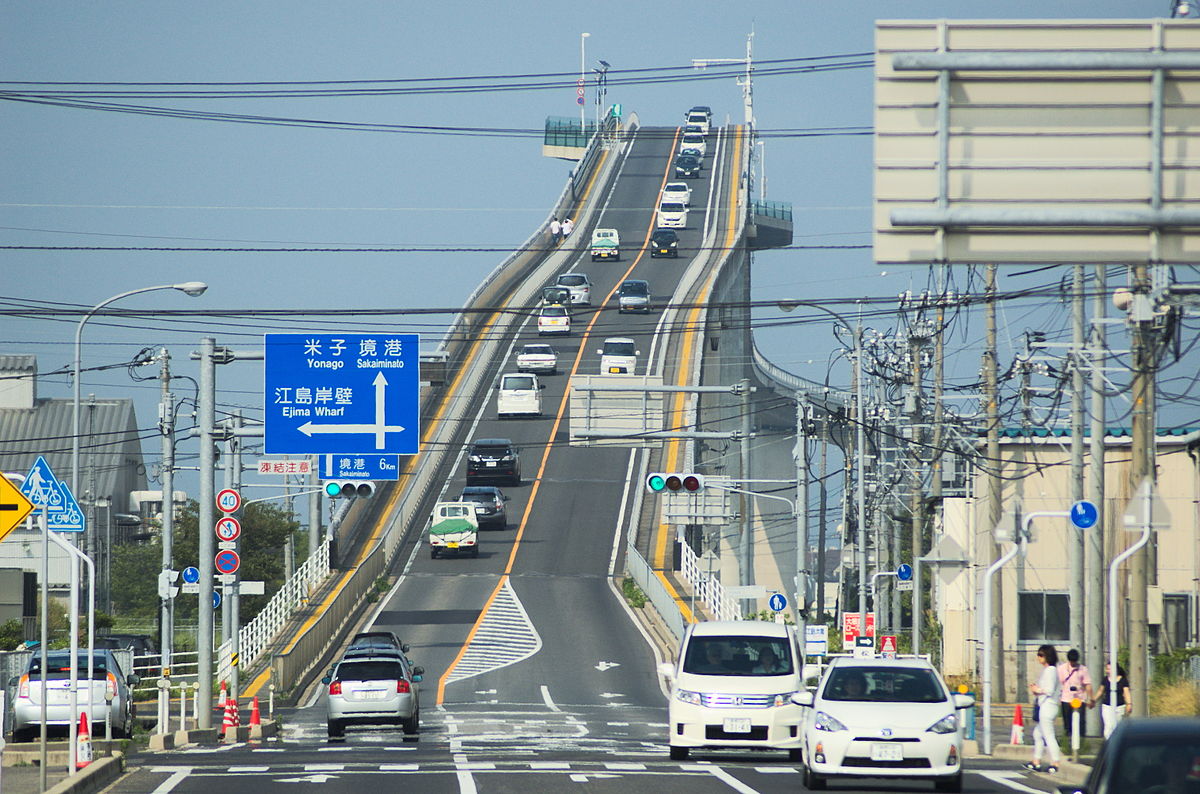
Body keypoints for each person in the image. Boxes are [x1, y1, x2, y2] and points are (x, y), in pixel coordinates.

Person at [1025, 644, 1063, 774]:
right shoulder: (1049, 670)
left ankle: (1056, 762)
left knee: (1048, 735)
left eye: (1041, 655)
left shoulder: (1051, 670)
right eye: (1038, 655)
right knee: (1038, 734)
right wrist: (1037, 690)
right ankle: (1036, 761)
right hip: (1046, 705)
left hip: (1048, 706)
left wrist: (1038, 690)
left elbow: (1049, 690)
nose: (1038, 657)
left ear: (1048, 657)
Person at [1058, 648, 1093, 737]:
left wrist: (1091, 698)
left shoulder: (1083, 669)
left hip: (1080, 698)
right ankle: (1067, 740)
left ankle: (1081, 740)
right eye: (1071, 661)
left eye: (1074, 661)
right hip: (1066, 698)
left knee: (1080, 722)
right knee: (1067, 722)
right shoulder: (1062, 668)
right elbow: (1058, 683)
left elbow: (1088, 684)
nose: (1073, 663)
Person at [1091, 661, 1131, 738]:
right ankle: (1109, 744)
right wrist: (1094, 700)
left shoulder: (1123, 680)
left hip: (1119, 707)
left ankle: (1116, 744)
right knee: (1108, 726)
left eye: (1109, 669)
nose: (1107, 671)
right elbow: (1100, 691)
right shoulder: (1105, 679)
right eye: (1107, 669)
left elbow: (1126, 693)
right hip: (1107, 706)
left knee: (1116, 726)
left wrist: (1129, 704)